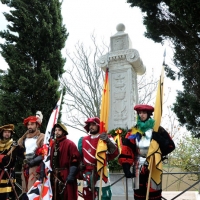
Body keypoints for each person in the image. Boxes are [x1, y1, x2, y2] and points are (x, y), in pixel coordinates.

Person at [118, 104, 175, 200]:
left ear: (149, 114)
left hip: (154, 166)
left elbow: (170, 146)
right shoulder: (133, 131)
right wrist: (126, 168)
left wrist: (159, 139)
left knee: (154, 195)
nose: (141, 115)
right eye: (139, 113)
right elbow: (127, 150)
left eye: (144, 113)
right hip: (138, 167)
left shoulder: (158, 130)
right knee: (139, 195)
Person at [78, 117, 119, 200]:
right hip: (87, 172)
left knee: (104, 196)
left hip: (101, 171)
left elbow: (115, 152)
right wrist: (80, 164)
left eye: (93, 124)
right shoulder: (83, 140)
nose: (91, 127)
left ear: (98, 126)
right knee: (87, 196)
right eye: (90, 125)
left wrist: (108, 140)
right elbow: (79, 156)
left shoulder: (105, 137)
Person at [18, 112, 44, 200]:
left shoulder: (41, 137)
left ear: (37, 125)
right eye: (28, 124)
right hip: (25, 167)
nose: (29, 126)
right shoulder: (24, 139)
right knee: (25, 191)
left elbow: (44, 154)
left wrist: (32, 162)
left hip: (36, 168)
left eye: (32, 124)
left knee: (33, 192)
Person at [50, 123, 80, 200]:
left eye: (59, 130)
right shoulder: (53, 145)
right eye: (56, 130)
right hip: (54, 176)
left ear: (63, 132)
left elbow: (75, 160)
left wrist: (71, 174)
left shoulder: (70, 144)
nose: (57, 132)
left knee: (67, 196)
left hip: (66, 175)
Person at [0, 124, 17, 200]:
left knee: (7, 195)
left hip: (8, 173)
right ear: (2, 133)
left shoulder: (14, 145)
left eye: (9, 132)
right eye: (5, 132)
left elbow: (22, 156)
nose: (7, 134)